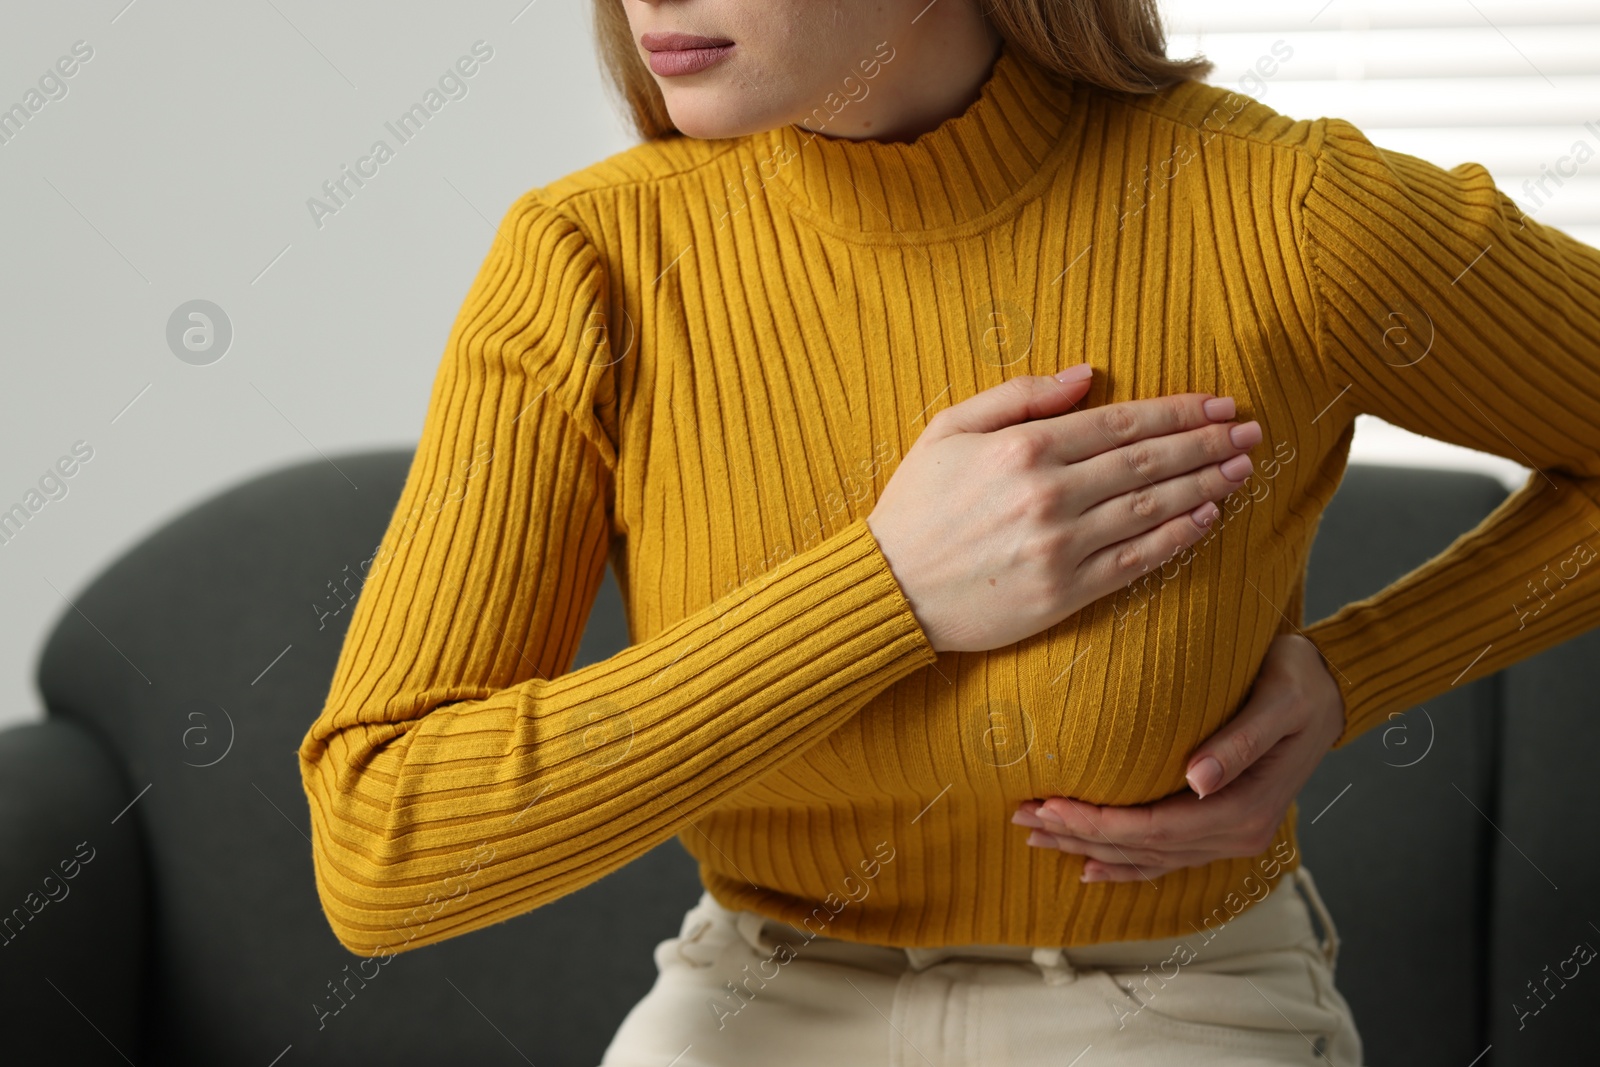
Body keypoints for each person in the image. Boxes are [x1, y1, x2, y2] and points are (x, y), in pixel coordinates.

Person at [295, 0, 1600, 1063]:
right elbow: (380, 849)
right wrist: (887, 591)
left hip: (1171, 1004)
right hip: (759, 995)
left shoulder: (1287, 219)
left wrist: (1354, 674)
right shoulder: (591, 263)